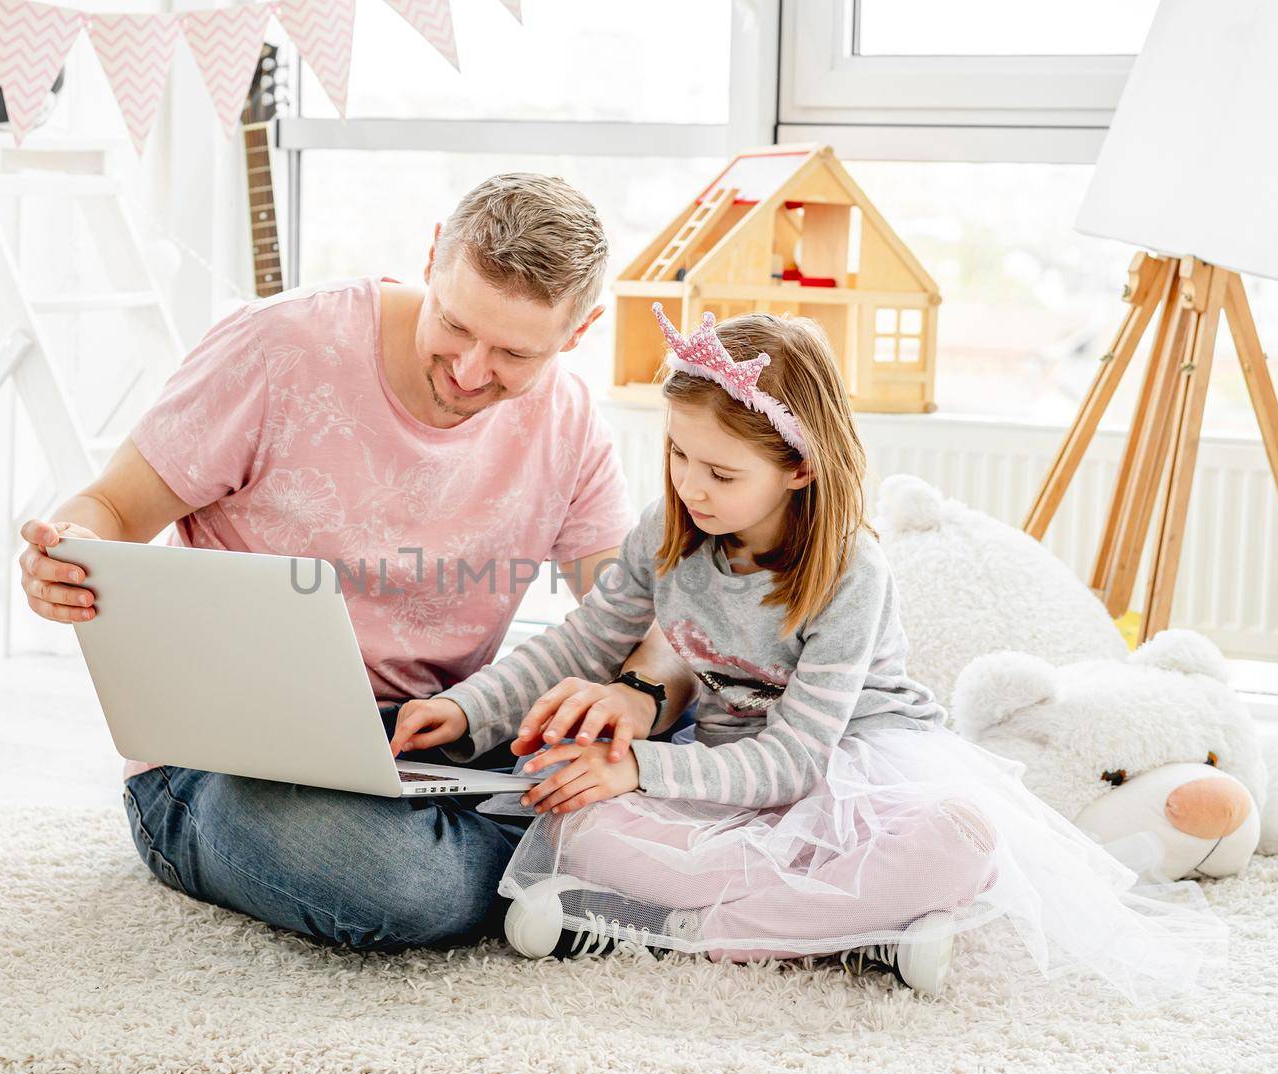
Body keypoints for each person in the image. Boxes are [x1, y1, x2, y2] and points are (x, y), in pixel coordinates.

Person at [391, 304, 1226, 1002]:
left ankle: (683, 929)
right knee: (573, 805)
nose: (690, 484)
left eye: (720, 471)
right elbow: (584, 640)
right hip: (727, 772)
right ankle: (845, 935)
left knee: (962, 841)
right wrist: (467, 707)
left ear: (798, 466)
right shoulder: (671, 529)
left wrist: (642, 768)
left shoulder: (852, 574)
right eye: (679, 455)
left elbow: (795, 761)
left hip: (846, 773)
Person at [16, 174, 698, 950]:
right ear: (434, 253)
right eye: (455, 324)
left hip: (436, 743)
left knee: (695, 735)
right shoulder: (277, 346)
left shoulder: (568, 422)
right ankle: (566, 872)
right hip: (226, 761)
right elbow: (108, 510)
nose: (471, 372)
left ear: (578, 332)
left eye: (514, 353)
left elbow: (646, 624)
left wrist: (642, 698)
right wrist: (64, 556)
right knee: (396, 881)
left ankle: (540, 860)